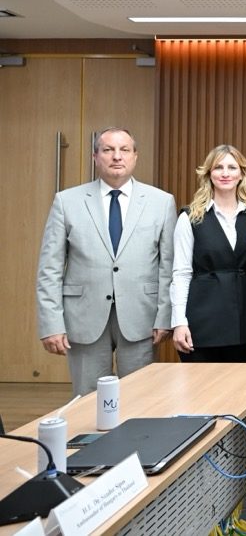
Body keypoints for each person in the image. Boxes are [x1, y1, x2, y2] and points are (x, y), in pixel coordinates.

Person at [36, 127, 177, 396]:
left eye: (124, 150)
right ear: (95, 156)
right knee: (88, 400)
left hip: (141, 317)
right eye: (108, 150)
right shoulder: (67, 201)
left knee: (140, 397)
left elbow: (167, 267)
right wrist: (51, 324)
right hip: (83, 316)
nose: (117, 156)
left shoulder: (161, 202)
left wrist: (164, 316)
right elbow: (49, 269)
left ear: (135, 156)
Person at [170, 145, 246, 363]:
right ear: (209, 174)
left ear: (241, 174)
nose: (225, 173)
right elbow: (181, 273)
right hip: (203, 324)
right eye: (218, 167)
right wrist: (179, 322)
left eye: (232, 167)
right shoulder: (190, 217)